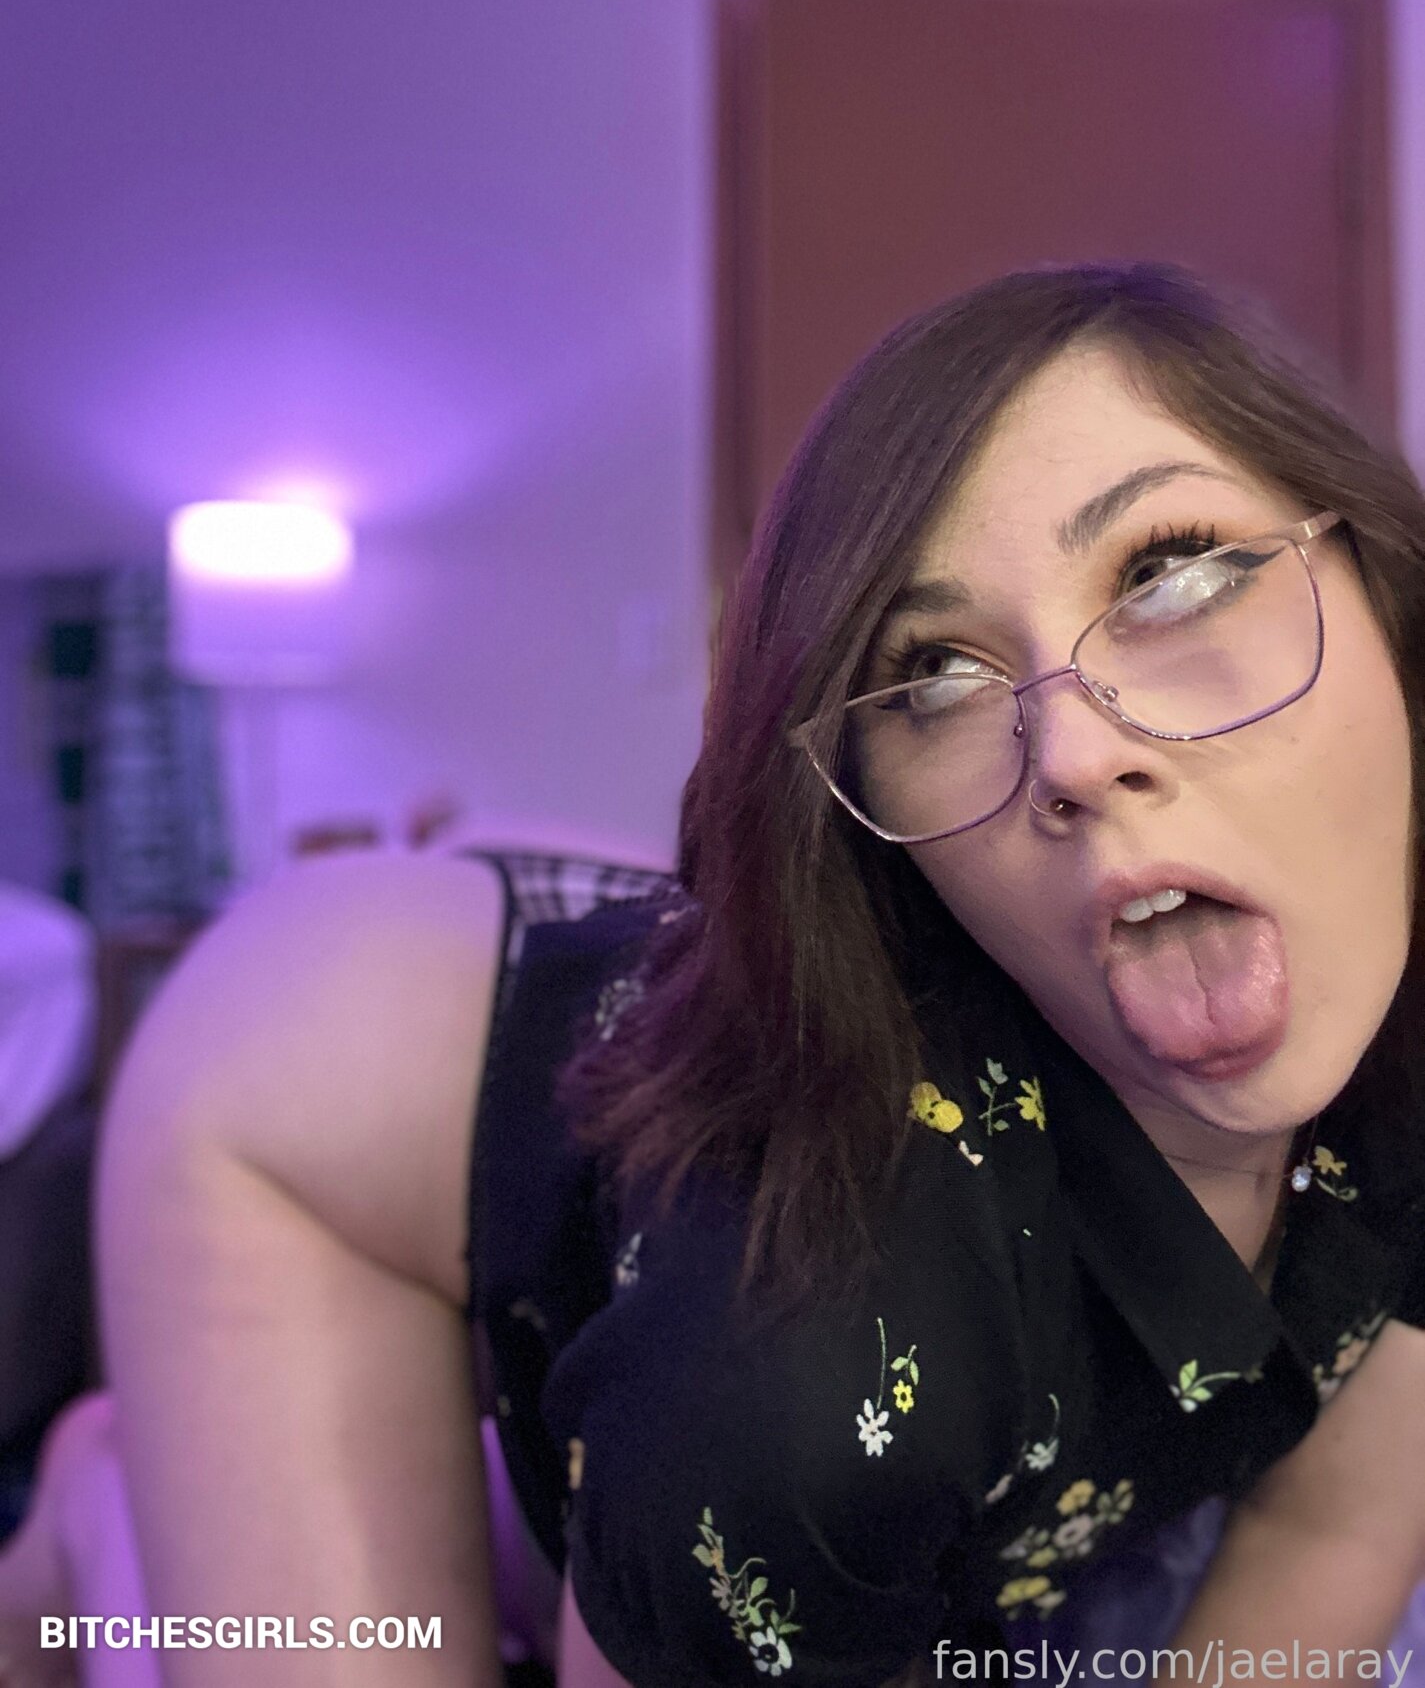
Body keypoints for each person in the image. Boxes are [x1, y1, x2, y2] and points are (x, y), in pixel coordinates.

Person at [5, 261, 1425, 1688]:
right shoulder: (816, 1370)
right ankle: (97, 1519)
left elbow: (1335, 1527)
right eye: (936, 672)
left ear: (1385, 581)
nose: (1069, 749)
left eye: (1172, 574)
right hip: (321, 1102)